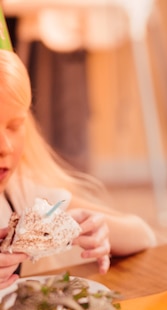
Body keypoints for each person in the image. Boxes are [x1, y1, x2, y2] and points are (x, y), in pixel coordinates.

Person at [0, 48, 157, 289]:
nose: (5, 146)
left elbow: (142, 235)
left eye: (14, 125)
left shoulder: (19, 192)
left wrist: (95, 227)